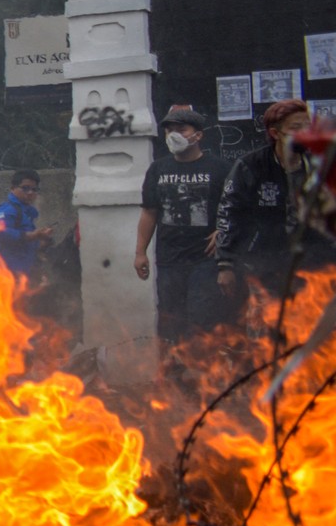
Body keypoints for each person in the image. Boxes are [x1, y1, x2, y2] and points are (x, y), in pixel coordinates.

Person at [134, 106, 232, 353]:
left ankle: (202, 379)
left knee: (201, 319)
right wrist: (140, 252)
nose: (173, 135)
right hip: (169, 260)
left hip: (206, 260)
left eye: (181, 129)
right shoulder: (158, 169)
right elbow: (149, 212)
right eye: (169, 130)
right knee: (170, 322)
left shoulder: (220, 169)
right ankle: (173, 380)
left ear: (197, 135)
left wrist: (223, 230)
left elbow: (237, 210)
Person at [217, 98, 326, 306]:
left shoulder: (320, 165)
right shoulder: (250, 166)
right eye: (296, 127)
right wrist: (225, 264)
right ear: (276, 133)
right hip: (264, 262)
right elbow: (229, 213)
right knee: (271, 324)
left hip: (313, 260)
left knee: (313, 325)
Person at [0, 169, 51, 280]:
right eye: (25, 188)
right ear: (13, 188)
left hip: (23, 273)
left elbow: (25, 244)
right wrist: (31, 236)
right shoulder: (8, 210)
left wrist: (41, 241)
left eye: (34, 189)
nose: (30, 192)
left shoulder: (27, 212)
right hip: (6, 274)